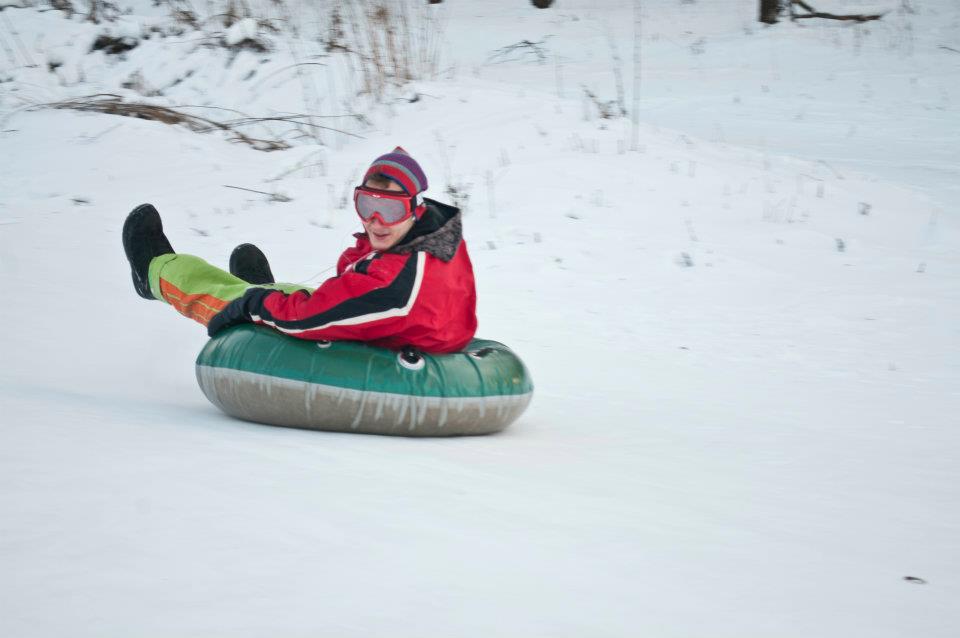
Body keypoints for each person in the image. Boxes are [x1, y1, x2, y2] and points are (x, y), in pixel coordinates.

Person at [122, 147, 477, 353]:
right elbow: (360, 289)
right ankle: (262, 289)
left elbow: (309, 316)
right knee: (296, 297)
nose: (377, 221)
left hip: (380, 327)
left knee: (233, 299)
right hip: (399, 325)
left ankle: (154, 272)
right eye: (368, 205)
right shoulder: (438, 238)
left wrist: (252, 305)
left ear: (415, 209)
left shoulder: (393, 286)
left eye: (392, 209)